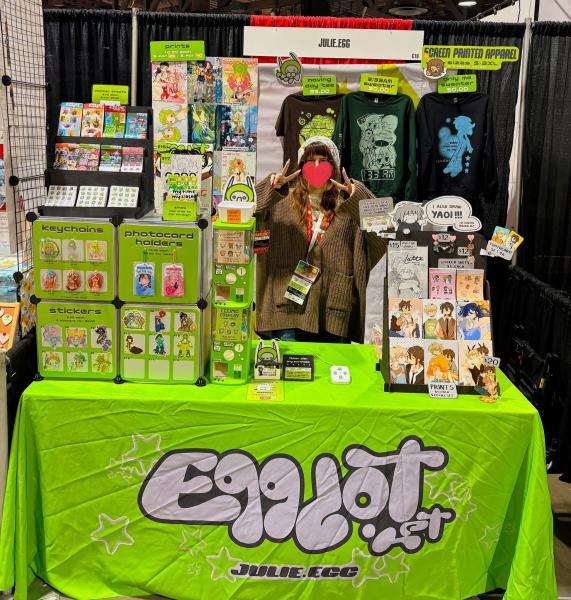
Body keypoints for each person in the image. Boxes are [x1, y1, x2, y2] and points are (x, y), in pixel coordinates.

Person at [255, 136, 386, 343]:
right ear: (301, 167)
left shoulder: (350, 207)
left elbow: (385, 231)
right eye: (310, 161)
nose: (316, 166)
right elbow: (242, 211)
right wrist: (271, 188)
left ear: (334, 167)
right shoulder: (279, 202)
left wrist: (357, 195)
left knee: (332, 365)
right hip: (286, 311)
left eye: (323, 161)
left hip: (335, 309)